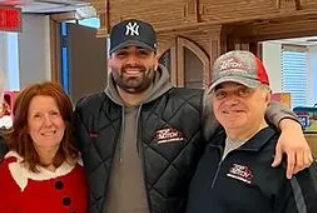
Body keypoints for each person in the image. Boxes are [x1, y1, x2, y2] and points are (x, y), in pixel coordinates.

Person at [73, 19, 313, 213]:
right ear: (109, 61)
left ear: (156, 59)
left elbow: (243, 110)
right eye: (122, 53)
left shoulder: (192, 106)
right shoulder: (88, 110)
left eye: (142, 53)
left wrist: (288, 123)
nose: (132, 61)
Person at [186, 50, 317, 213]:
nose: (231, 101)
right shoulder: (210, 144)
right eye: (222, 94)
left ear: (267, 97)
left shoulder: (289, 158)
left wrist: (291, 125)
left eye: (243, 91)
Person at [0, 82, 88, 213]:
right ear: (25, 126)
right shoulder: (9, 175)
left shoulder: (83, 165)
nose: (48, 123)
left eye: (54, 113)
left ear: (65, 122)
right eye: (37, 116)